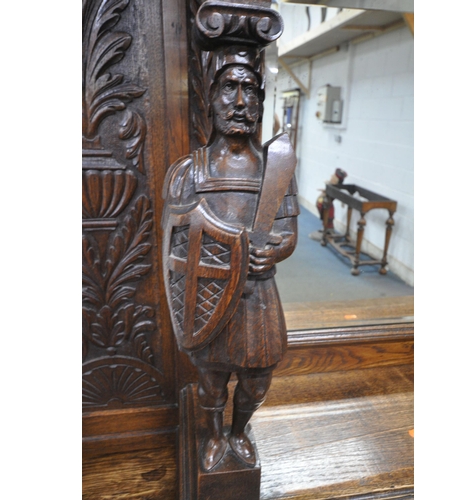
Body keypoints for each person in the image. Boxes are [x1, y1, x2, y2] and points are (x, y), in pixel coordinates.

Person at [162, 45, 299, 471]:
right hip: (211, 296)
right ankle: (216, 435)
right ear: (211, 97)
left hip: (258, 293)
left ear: (260, 101)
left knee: (257, 378)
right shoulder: (191, 170)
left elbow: (289, 231)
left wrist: (277, 251)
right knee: (212, 378)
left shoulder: (275, 168)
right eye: (229, 89)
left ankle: (240, 431)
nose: (241, 103)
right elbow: (175, 244)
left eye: (250, 91)